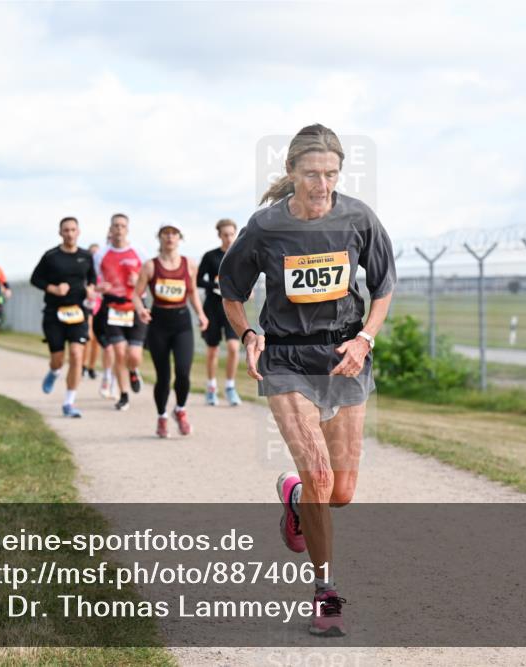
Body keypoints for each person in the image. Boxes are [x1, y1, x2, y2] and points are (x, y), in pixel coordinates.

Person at [219, 124, 396, 637]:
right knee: (320, 475)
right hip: (287, 359)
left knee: (339, 493)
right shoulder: (266, 226)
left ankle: (295, 500)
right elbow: (232, 290)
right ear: (291, 171)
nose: (322, 184)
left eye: (332, 174)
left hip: (344, 356)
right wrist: (249, 333)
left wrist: (365, 339)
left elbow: (382, 288)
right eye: (313, 173)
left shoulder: (358, 217)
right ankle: (325, 592)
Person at [132, 223, 208, 437]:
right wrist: (141, 310)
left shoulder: (189, 264)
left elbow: (192, 292)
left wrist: (201, 314)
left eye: (174, 234)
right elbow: (136, 295)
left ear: (179, 238)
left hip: (182, 322)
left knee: (183, 372)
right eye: (166, 234)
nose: (170, 237)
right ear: (160, 238)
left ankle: (180, 411)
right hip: (159, 323)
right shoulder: (150, 266)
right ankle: (162, 417)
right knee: (163, 376)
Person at [31, 217, 97, 418]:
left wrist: (91, 289)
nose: (69, 233)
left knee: (77, 355)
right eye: (66, 230)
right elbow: (35, 279)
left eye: (73, 230)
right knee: (58, 360)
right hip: (54, 313)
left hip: (78, 312)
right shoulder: (51, 256)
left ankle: (69, 402)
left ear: (79, 232)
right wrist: (53, 288)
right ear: (60, 233)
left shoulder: (86, 256)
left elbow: (92, 277)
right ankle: (53, 372)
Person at [94, 213, 148, 410]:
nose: (119, 229)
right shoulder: (100, 255)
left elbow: (150, 277)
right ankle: (124, 394)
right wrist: (100, 288)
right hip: (113, 308)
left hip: (135, 307)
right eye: (115, 225)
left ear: (127, 229)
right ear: (110, 228)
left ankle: (134, 370)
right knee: (118, 352)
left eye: (122, 225)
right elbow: (94, 282)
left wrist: (139, 281)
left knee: (134, 355)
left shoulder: (139, 251)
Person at [198, 218, 242, 406]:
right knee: (213, 349)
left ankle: (230, 387)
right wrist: (214, 284)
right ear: (219, 235)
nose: (229, 238)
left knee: (233, 348)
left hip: (232, 307)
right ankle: (211, 388)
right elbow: (198, 280)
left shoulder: (239, 255)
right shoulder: (210, 256)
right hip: (212, 308)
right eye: (225, 235)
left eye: (232, 234)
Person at [84, 243, 102, 381]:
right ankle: (83, 365)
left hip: (100, 309)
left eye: (97, 253)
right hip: (87, 307)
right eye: (92, 253)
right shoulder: (85, 273)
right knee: (88, 336)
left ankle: (91, 367)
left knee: (96, 340)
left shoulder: (104, 272)